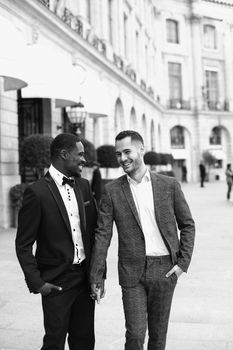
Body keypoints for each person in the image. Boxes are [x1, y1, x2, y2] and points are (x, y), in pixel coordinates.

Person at [90, 130, 195, 350]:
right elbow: (102, 233)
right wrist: (96, 274)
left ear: (141, 149)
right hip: (132, 271)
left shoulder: (169, 185)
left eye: (127, 152)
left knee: (158, 337)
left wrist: (182, 264)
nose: (122, 159)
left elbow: (187, 225)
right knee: (136, 335)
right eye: (118, 154)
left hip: (165, 270)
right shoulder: (112, 190)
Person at [15, 133, 97, 350]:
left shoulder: (84, 186)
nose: (83, 159)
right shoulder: (37, 192)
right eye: (79, 154)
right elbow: (23, 244)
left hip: (85, 280)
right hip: (56, 282)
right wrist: (38, 283)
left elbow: (94, 233)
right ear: (63, 154)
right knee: (54, 343)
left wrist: (99, 274)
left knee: (85, 341)